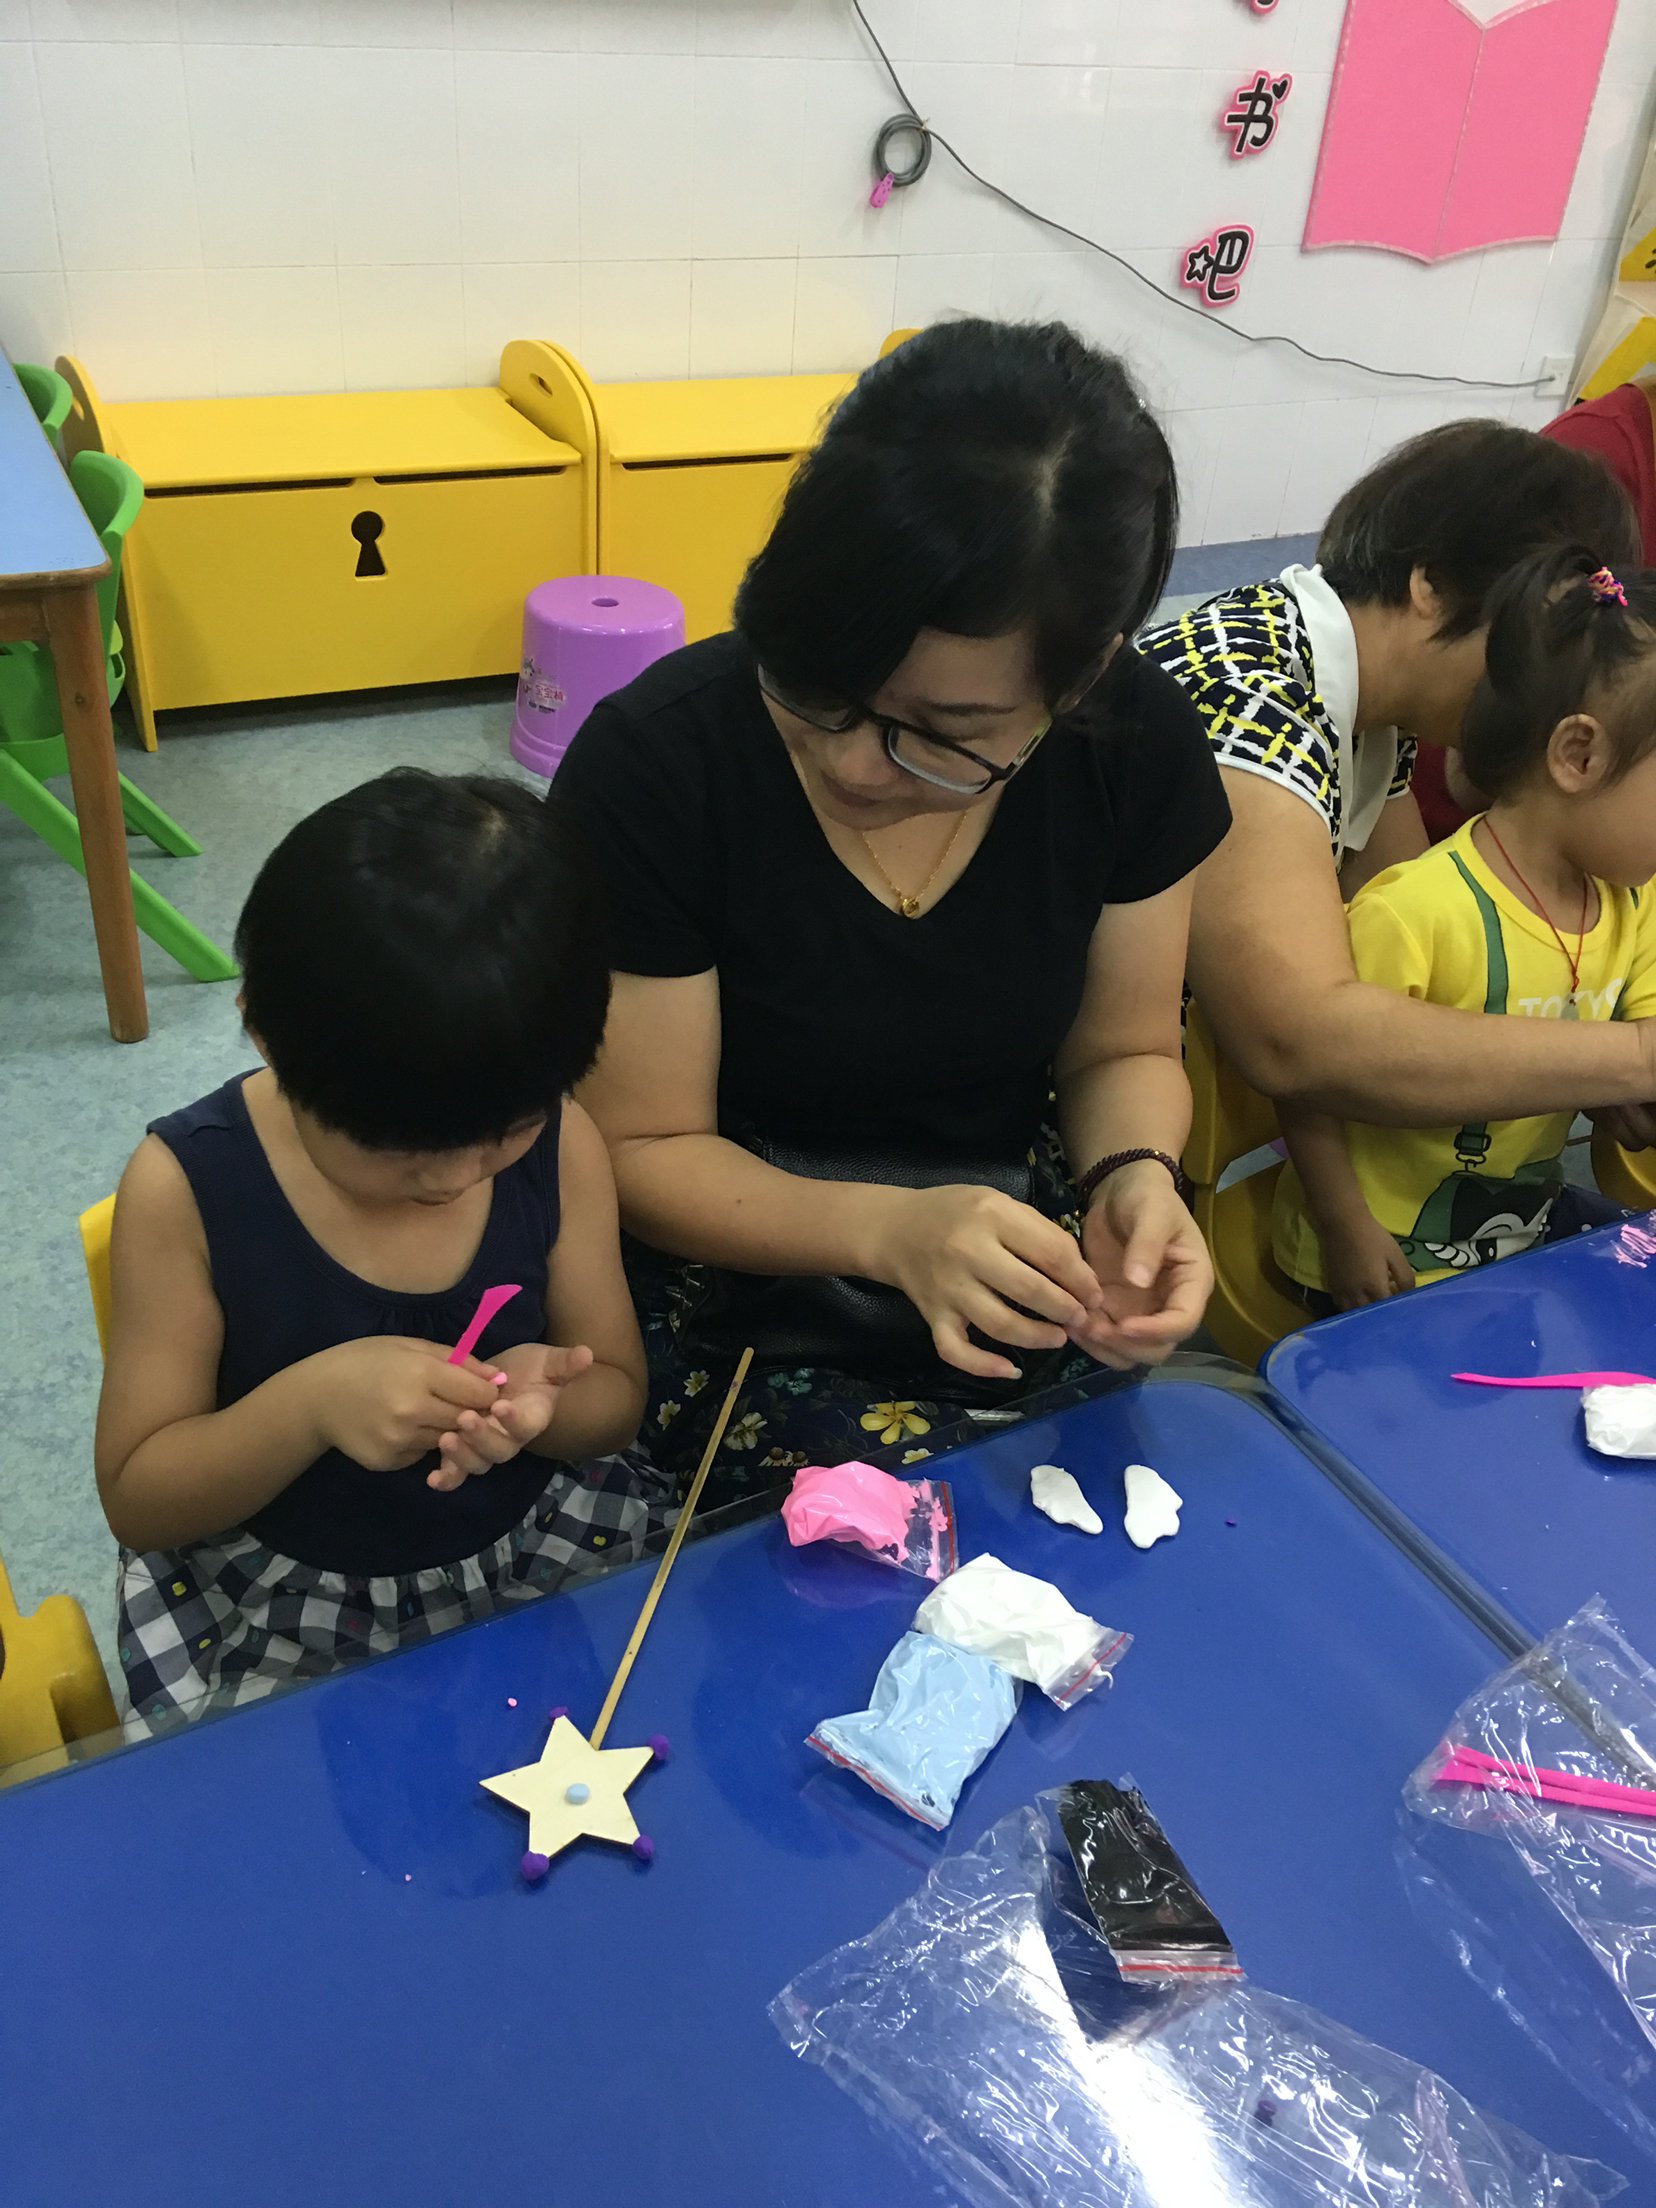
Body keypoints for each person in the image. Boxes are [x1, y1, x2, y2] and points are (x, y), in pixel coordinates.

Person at [553, 319, 1231, 1499]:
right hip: (729, 1286)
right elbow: (640, 1149)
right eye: (818, 686)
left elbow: (1123, 1048)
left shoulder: (1131, 745)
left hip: (1005, 1242)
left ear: (1078, 680)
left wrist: (1135, 1174)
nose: (855, 763)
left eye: (944, 733)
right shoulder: (659, 766)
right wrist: (887, 1232)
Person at [97, 771, 667, 1735]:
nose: (457, 1178)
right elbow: (139, 1497)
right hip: (290, 1608)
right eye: (399, 1150)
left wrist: (539, 1407)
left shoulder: (563, 1141)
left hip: (532, 1557)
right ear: (264, 1034)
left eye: (507, 1131)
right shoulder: (185, 1188)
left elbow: (616, 1394)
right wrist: (314, 1404)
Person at [1141, 421, 1656, 1147]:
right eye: (1542, 646)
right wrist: (1632, 1058)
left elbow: (1413, 933)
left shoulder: (1372, 707)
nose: (1555, 690)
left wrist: (1579, 1067)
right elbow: (1299, 1038)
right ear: (1430, 583)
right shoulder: (1251, 700)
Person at [1274, 549, 1656, 1310]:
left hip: (1516, 1235)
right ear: (1579, 756)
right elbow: (1311, 1084)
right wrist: (1344, 1224)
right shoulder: (1414, 912)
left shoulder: (1631, 903)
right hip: (1378, 1256)